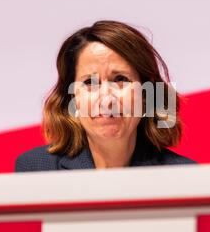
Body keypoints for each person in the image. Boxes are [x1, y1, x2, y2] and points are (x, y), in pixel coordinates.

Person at [15, 20, 197, 172]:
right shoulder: (35, 170)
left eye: (120, 79)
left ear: (147, 94)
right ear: (72, 98)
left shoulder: (183, 175)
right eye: (89, 83)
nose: (106, 100)